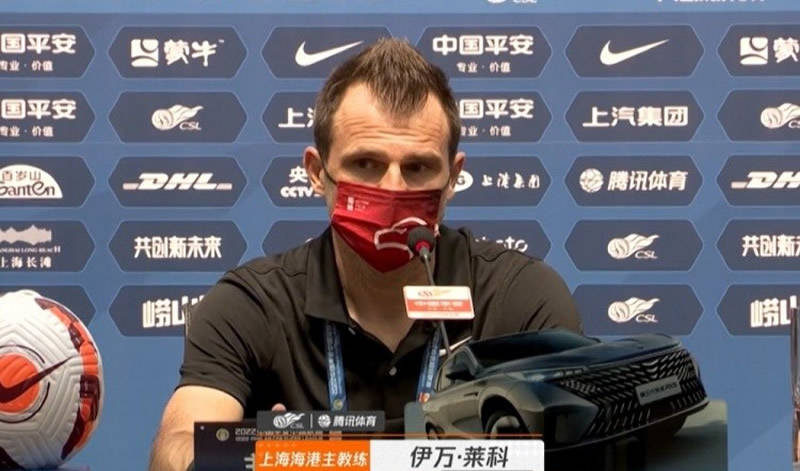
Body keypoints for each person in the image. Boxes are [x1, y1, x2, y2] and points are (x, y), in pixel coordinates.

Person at [148, 38, 581, 471]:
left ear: (452, 178)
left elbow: (581, 448)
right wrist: (253, 458)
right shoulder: (252, 303)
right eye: (366, 164)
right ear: (317, 172)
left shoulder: (520, 297)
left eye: (417, 168)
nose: (392, 189)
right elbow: (177, 446)